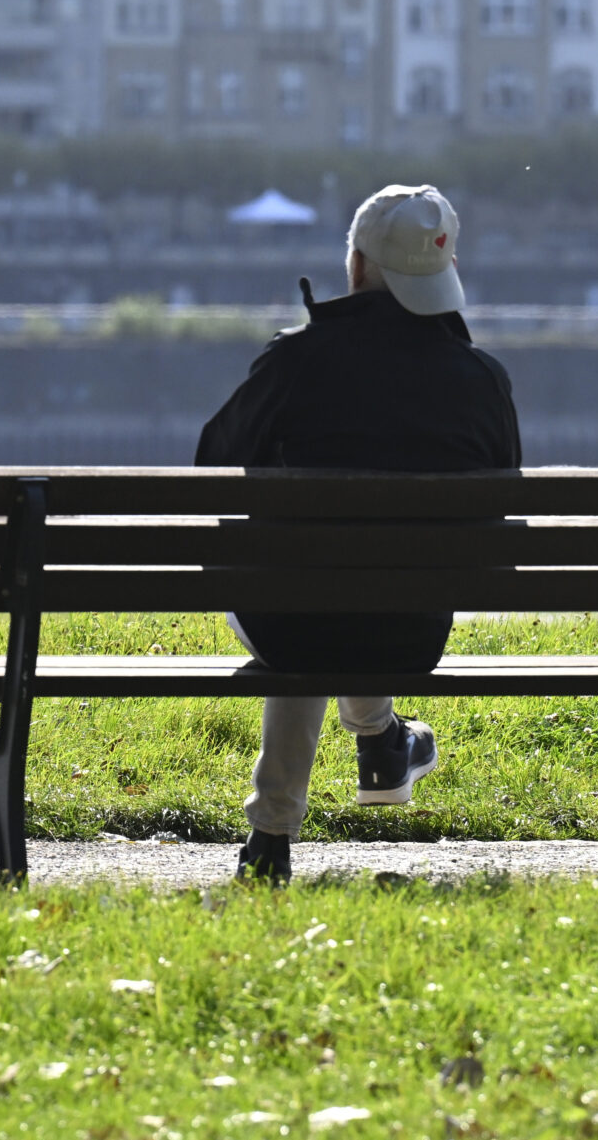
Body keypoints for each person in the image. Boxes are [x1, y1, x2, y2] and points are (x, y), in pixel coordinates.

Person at [195, 184, 523, 883]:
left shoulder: (295, 361)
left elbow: (208, 470)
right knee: (336, 592)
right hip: (410, 632)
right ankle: (380, 737)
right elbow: (499, 522)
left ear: (357, 266)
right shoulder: (482, 380)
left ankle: (273, 839)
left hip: (287, 623)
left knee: (306, 594)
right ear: (442, 272)